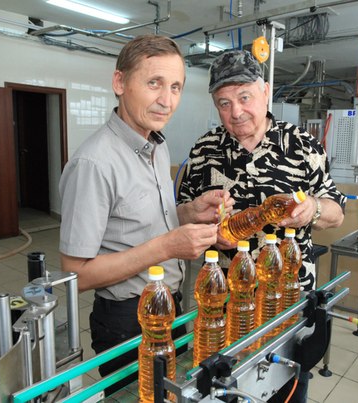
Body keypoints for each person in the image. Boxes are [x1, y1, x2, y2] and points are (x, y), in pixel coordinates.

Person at [59, 34, 233, 396]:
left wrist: (189, 213)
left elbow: (142, 222)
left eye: (175, 87)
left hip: (169, 306)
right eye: (154, 83)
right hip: (128, 320)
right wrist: (167, 247)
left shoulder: (155, 144)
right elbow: (76, 275)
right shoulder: (93, 163)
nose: (167, 100)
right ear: (119, 82)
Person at [177, 49, 346, 403]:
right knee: (223, 392)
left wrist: (313, 209)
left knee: (286, 389)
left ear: (265, 92)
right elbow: (178, 215)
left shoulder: (303, 146)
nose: (236, 112)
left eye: (244, 97)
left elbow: (337, 212)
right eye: (224, 103)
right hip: (222, 306)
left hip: (287, 304)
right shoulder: (203, 151)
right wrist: (197, 216)